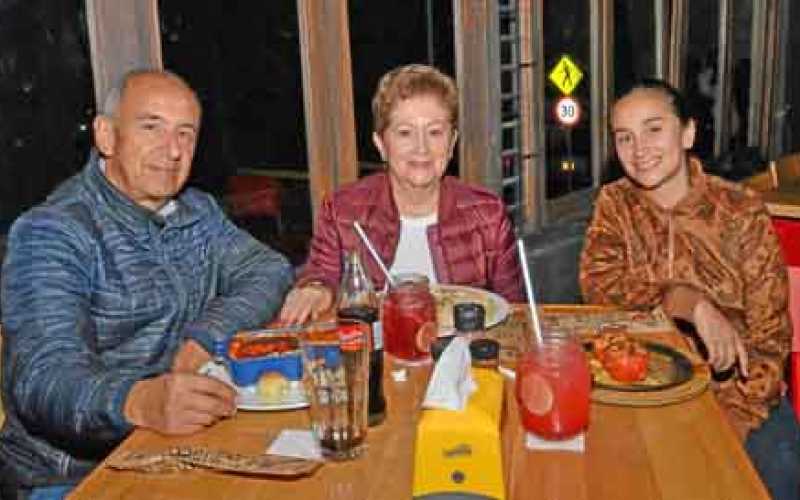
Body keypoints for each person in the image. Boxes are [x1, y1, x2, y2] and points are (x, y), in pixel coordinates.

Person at [0, 70, 293, 498]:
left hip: (182, 448)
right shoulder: (53, 231)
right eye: (151, 126)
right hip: (75, 476)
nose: (172, 150)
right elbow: (44, 375)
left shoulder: (198, 212)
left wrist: (205, 336)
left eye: (185, 134)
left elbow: (269, 269)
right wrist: (138, 401)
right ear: (106, 135)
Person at [579, 78, 799, 499]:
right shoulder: (615, 204)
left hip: (739, 396)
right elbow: (599, 287)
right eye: (625, 137)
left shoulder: (739, 211)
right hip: (636, 391)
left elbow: (771, 342)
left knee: (780, 476)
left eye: (654, 129)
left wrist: (726, 426)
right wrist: (687, 301)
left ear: (688, 133)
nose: (639, 148)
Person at [279, 64, 523, 324]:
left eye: (435, 132)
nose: (421, 148)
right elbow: (321, 274)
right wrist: (315, 289)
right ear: (381, 145)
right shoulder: (343, 210)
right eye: (405, 133)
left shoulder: (487, 213)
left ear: (451, 144)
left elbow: (514, 312)